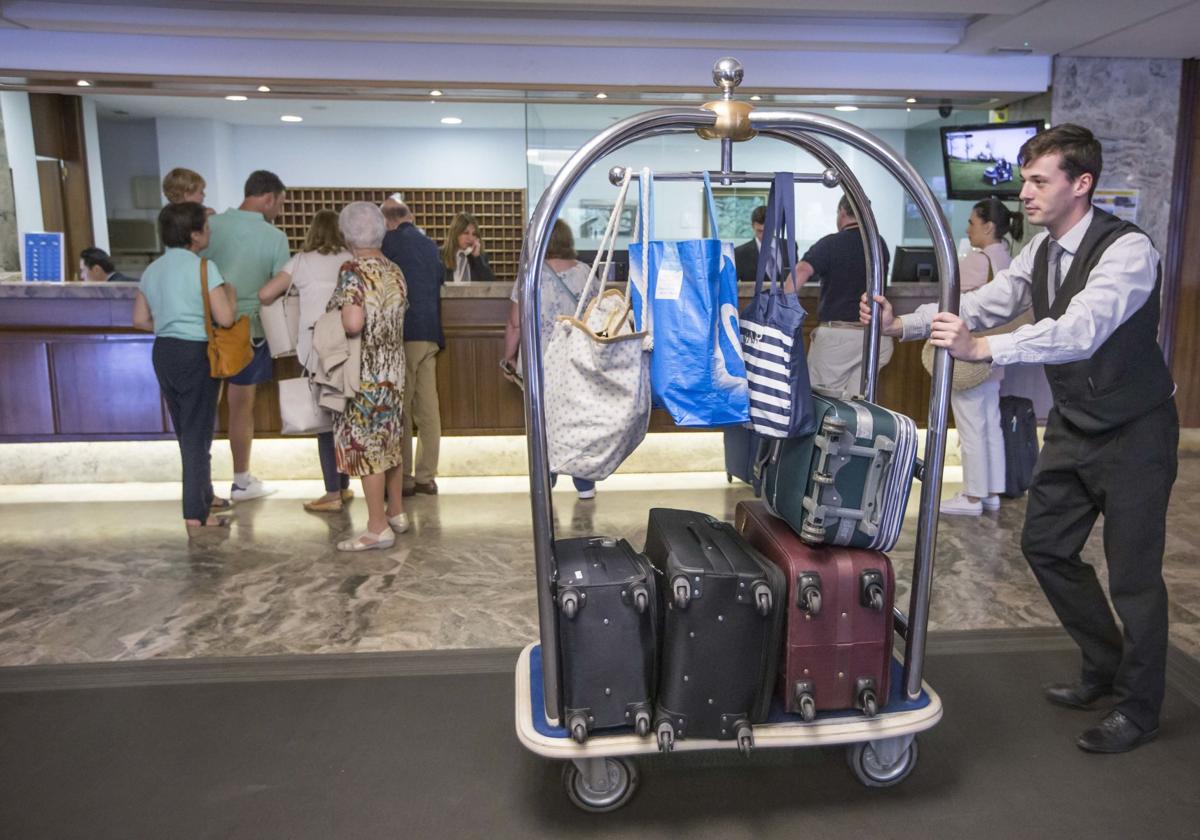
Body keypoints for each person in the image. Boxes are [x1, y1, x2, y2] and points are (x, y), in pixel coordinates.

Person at [861, 124, 1178, 754]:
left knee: (1135, 576)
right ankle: (1105, 664)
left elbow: (1082, 329)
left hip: (1137, 430)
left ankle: (1140, 707)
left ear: (1080, 184)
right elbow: (988, 301)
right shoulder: (1039, 250)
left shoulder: (1128, 251)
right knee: (1046, 546)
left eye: (1039, 180)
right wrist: (907, 324)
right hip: (1074, 423)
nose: (1025, 193)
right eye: (1024, 178)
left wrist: (985, 348)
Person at [131, 202, 237, 531]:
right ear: (194, 235)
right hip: (197, 353)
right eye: (206, 227)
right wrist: (230, 294)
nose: (210, 232)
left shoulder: (153, 270)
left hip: (164, 351)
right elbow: (225, 317)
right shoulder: (204, 268)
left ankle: (203, 499)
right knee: (197, 434)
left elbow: (139, 319)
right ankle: (195, 514)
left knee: (186, 431)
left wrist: (171, 324)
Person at [258, 209, 355, 513]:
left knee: (325, 422)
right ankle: (344, 485)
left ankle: (332, 492)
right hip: (350, 346)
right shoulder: (351, 259)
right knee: (345, 417)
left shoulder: (300, 261)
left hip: (316, 349)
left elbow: (265, 294)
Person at [203, 170, 291, 503]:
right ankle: (241, 480)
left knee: (203, 408)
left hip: (207, 329)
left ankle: (201, 483)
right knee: (240, 408)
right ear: (268, 198)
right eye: (280, 204)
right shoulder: (274, 237)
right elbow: (276, 288)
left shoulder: (212, 226)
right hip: (248, 331)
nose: (279, 212)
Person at [328, 202, 410, 551]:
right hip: (394, 367)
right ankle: (396, 512)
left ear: (347, 236)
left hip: (365, 372)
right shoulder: (394, 269)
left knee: (366, 446)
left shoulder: (352, 270)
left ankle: (377, 528)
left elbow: (353, 323)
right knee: (390, 440)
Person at [939, 198, 1024, 516]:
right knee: (990, 423)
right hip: (996, 353)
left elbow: (955, 303)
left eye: (972, 222)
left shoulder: (978, 260)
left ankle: (972, 496)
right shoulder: (1008, 260)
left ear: (988, 227)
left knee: (971, 424)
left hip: (971, 353)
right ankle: (991, 492)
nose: (967, 228)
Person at [502, 219, 597, 500]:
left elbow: (516, 322)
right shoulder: (585, 273)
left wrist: (508, 356)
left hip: (540, 364)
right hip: (578, 362)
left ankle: (546, 480)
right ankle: (585, 484)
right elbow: (598, 317)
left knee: (542, 422)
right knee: (580, 420)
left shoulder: (530, 276)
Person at [794, 195, 892, 395]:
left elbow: (802, 270)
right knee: (859, 403)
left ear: (841, 212)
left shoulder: (830, 243)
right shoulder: (879, 244)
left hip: (837, 340)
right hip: (875, 338)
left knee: (824, 402)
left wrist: (781, 303)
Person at [381, 199, 444, 497]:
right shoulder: (430, 244)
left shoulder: (387, 243)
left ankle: (403, 478)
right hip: (430, 333)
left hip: (402, 334)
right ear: (410, 217)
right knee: (429, 409)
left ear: (386, 221)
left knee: (402, 410)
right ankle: (426, 477)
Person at [441, 212, 496, 284]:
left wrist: (477, 258)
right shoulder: (440, 255)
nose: (471, 238)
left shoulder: (481, 257)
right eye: (466, 233)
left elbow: (490, 285)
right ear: (455, 233)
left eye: (474, 234)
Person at [733, 205, 767, 284]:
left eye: (767, 231)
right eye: (759, 231)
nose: (763, 236)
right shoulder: (739, 253)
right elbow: (732, 286)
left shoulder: (788, 248)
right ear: (753, 226)